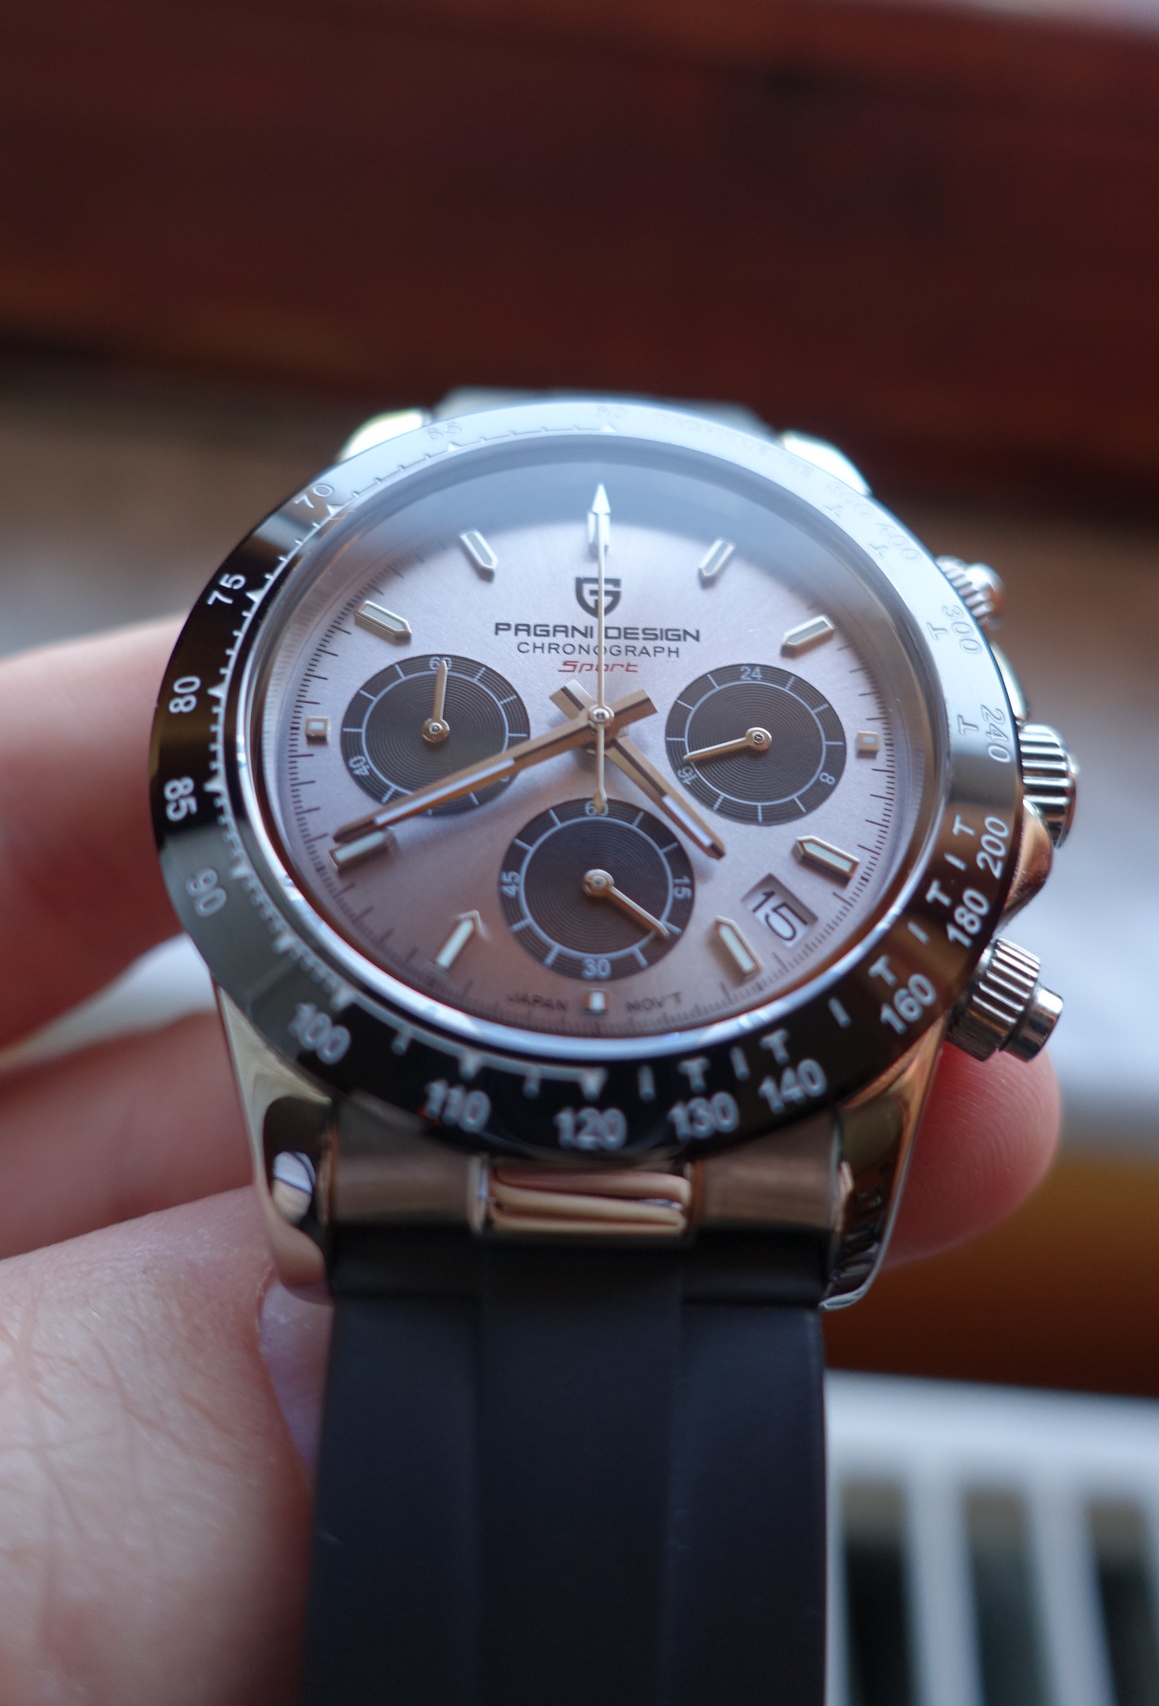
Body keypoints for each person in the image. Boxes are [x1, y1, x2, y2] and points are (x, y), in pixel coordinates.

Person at [0, 618, 1060, 1705]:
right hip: (712, 1177)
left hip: (463, 1164)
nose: (597, 730)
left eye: (605, 730)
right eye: (581, 729)